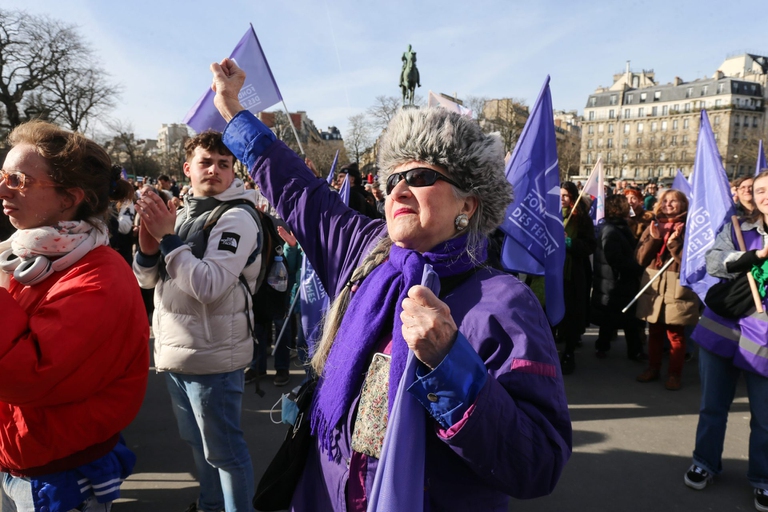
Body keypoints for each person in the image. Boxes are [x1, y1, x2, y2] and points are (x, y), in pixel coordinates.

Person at [210, 58, 571, 511]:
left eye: (420, 177)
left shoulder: (506, 304)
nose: (398, 190)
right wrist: (232, 110)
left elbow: (539, 462)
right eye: (393, 178)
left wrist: (451, 366)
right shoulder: (365, 251)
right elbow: (297, 188)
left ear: (468, 204)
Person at [0, 121, 149, 511]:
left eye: (18, 180)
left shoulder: (99, 277)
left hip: (57, 478)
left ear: (69, 198)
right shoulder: (29, 256)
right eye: (3, 176)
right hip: (22, 463)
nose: (2, 190)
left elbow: (23, 374)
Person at [133, 131, 260, 512]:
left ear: (234, 171)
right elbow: (147, 280)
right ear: (188, 168)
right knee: (198, 444)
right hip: (175, 353)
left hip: (214, 357)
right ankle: (210, 504)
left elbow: (209, 285)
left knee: (224, 452)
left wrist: (168, 238)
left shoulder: (238, 216)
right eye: (206, 162)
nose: (215, 170)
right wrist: (148, 247)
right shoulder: (182, 213)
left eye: (224, 163)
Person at [684, 170, 768, 511]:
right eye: (760, 190)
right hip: (722, 329)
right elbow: (714, 262)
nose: (765, 195)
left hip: (763, 338)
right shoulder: (738, 228)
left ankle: (763, 478)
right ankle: (704, 462)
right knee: (713, 405)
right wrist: (753, 257)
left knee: (765, 416)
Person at [634, 189, 700, 390]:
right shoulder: (653, 225)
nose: (668, 205)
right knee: (654, 330)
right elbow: (640, 259)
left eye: (673, 201)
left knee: (675, 334)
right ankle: (653, 368)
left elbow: (693, 264)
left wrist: (674, 245)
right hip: (654, 284)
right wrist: (654, 240)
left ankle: (674, 374)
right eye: (664, 201)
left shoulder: (690, 227)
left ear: (683, 205)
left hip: (677, 285)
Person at [591, 194, 646, 360]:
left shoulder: (618, 226)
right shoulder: (611, 230)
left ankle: (606, 347)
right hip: (616, 282)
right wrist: (637, 268)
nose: (629, 206)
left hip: (617, 282)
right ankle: (629, 350)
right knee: (622, 318)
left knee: (616, 318)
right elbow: (614, 258)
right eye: (625, 204)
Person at [558, 181, 597, 375]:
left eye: (566, 195)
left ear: (573, 197)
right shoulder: (550, 215)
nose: (562, 199)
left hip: (573, 274)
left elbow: (590, 246)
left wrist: (568, 242)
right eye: (559, 195)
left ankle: (569, 352)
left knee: (571, 314)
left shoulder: (581, 219)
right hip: (551, 274)